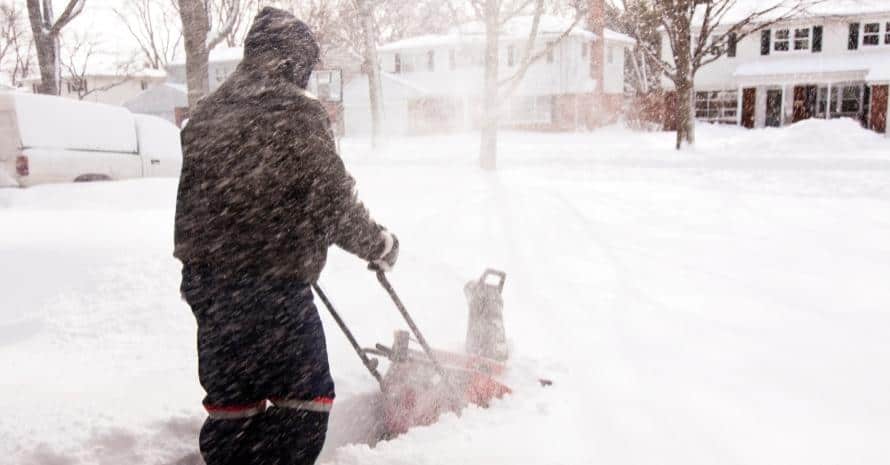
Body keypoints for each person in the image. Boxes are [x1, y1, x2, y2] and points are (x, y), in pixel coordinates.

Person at [174, 7, 398, 465]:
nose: (307, 79)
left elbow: (203, 209)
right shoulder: (296, 112)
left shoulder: (206, 115)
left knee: (232, 411)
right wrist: (379, 245)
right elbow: (333, 203)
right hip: (271, 290)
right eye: (306, 68)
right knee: (306, 405)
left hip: (210, 289)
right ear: (291, 60)